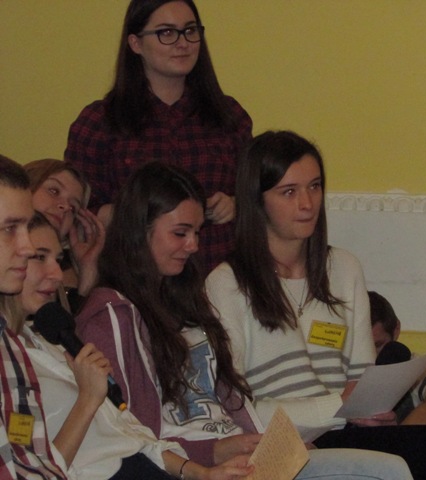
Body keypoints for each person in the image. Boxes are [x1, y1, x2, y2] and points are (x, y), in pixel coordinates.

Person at [76, 161, 413, 480]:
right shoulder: (111, 316)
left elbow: (230, 398)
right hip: (194, 466)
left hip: (244, 454)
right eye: (180, 233)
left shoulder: (185, 300)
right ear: (139, 232)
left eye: (197, 232)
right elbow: (125, 433)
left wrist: (276, 443)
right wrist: (212, 453)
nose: (193, 245)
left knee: (391, 467)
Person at [206, 131, 426, 480]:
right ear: (257, 200)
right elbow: (236, 410)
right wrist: (338, 406)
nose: (307, 203)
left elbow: (361, 380)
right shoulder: (226, 283)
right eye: (289, 192)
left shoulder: (343, 268)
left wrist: (372, 410)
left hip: (343, 433)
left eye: (314, 187)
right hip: (276, 448)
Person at [2, 212, 254, 480]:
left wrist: (200, 473)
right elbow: (35, 473)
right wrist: (88, 400)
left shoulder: (48, 343)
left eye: (58, 260)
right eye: (39, 257)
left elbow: (131, 433)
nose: (56, 274)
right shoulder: (9, 364)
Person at [65, 0, 252, 272]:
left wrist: (235, 204)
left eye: (190, 31)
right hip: (134, 278)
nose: (182, 43)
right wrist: (129, 213)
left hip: (217, 276)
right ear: (135, 43)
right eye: (166, 32)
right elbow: (74, 212)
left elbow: (259, 197)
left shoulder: (229, 116)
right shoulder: (100, 121)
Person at [0, 154, 66, 478]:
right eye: (10, 228)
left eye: (26, 227)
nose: (26, 247)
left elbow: (30, 460)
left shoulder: (10, 346)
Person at [24, 159, 105, 311]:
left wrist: (87, 276)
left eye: (73, 207)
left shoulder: (60, 274)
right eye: (54, 191)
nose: (65, 206)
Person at [368, 291, 426, 423]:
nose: (368, 355)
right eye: (358, 348)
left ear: (396, 330)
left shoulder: (423, 368)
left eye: (377, 345)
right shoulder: (336, 373)